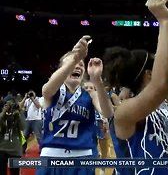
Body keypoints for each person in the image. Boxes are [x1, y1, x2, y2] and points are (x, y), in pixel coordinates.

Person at [102, 0, 168, 174]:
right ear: (149, 74)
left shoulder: (165, 103)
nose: (166, 67)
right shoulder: (124, 113)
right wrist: (165, 21)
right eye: (158, 64)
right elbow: (160, 84)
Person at [36, 36, 113, 175]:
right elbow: (45, 90)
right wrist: (76, 56)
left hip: (83, 157)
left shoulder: (90, 93)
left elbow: (108, 113)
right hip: (51, 156)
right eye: (73, 63)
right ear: (62, 69)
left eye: (81, 64)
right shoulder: (53, 91)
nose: (77, 65)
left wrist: (97, 80)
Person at [0, 100, 24, 175]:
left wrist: (19, 115)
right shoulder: (2, 116)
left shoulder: (18, 115)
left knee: (15, 173)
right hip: (2, 149)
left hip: (15, 150)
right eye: (7, 106)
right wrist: (3, 113)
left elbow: (23, 127)